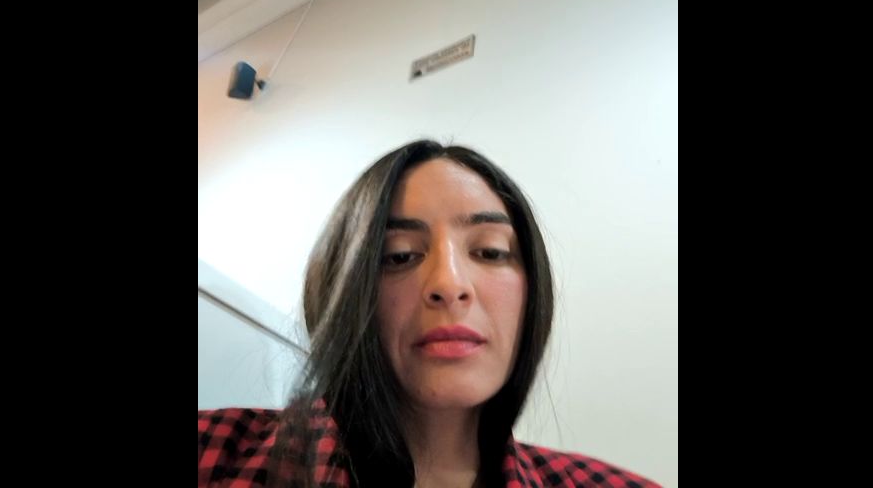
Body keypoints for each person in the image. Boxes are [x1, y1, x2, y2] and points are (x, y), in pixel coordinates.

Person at [199, 140, 660, 488]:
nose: (449, 284)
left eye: (490, 251)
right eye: (399, 256)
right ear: (344, 289)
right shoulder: (213, 453)